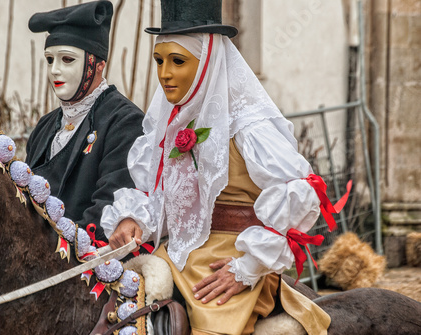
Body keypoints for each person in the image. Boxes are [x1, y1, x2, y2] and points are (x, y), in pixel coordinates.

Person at [101, 0, 340, 333]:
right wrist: (133, 218)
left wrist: (247, 267)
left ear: (207, 65)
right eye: (159, 61)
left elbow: (302, 190)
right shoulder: (171, 126)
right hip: (175, 257)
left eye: (178, 61)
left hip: (227, 264)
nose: (165, 74)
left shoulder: (248, 126)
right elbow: (161, 195)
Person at [26, 1, 144, 244]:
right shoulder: (45, 126)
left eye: (67, 59)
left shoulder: (125, 121)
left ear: (98, 65)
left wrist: (43, 247)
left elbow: (108, 210)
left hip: (87, 266)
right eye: (50, 60)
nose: (55, 71)